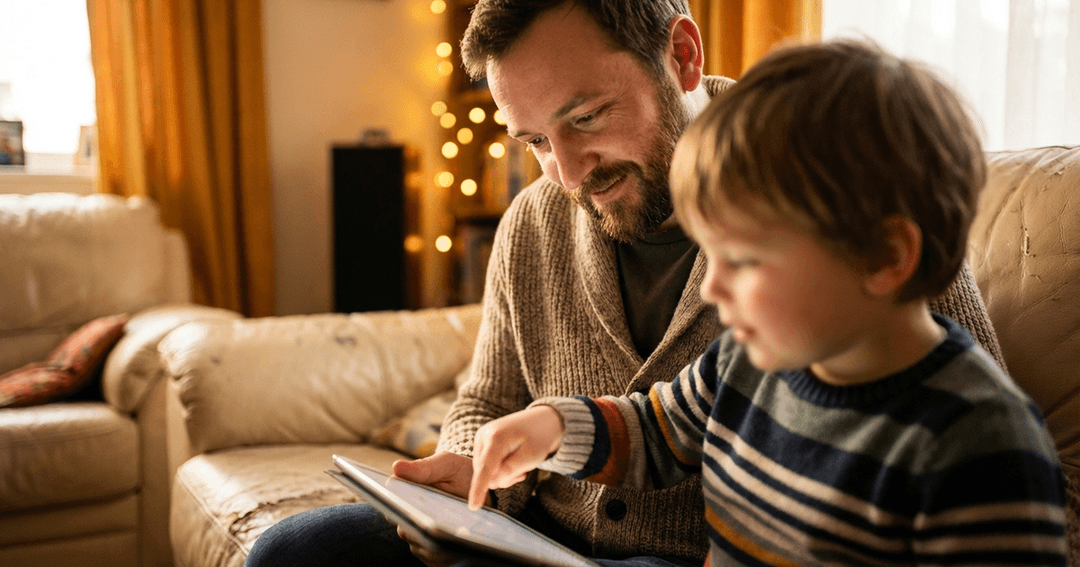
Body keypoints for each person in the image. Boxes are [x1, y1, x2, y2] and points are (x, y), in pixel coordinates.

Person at [246, 3, 1008, 566]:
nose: (567, 173)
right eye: (536, 140)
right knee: (295, 552)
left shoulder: (821, 177)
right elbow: (500, 399)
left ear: (679, 54)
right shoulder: (535, 220)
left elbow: (967, 413)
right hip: (532, 541)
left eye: (586, 117)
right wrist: (473, 478)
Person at [466, 38, 1069, 566]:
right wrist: (549, 428)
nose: (711, 287)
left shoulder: (979, 445)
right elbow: (653, 429)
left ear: (885, 258)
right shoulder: (744, 362)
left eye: (745, 260)